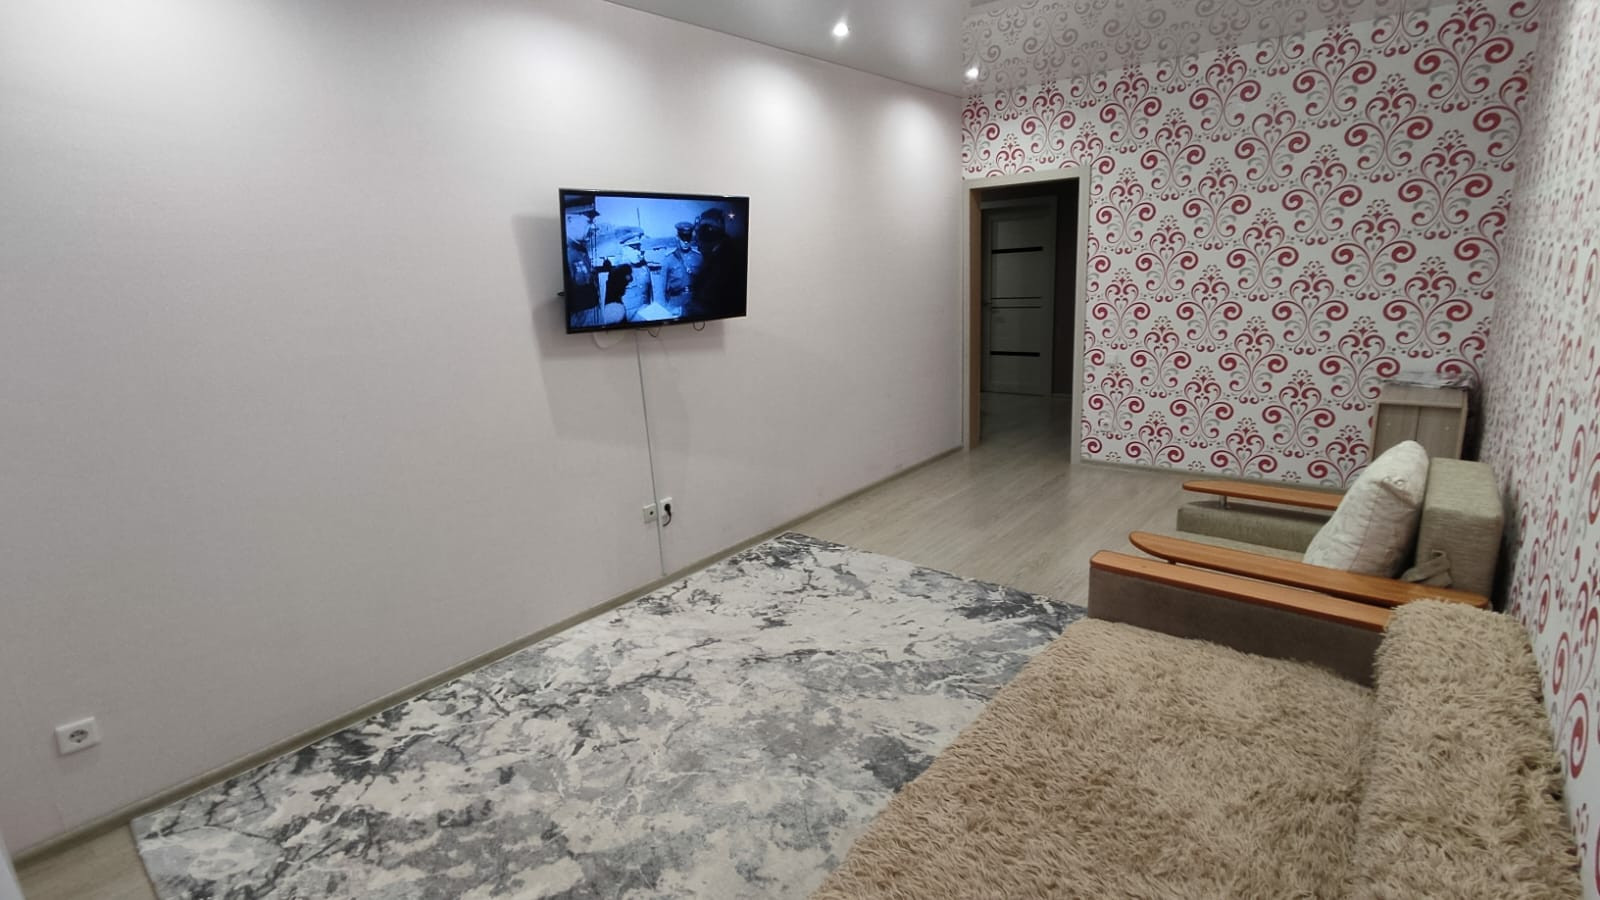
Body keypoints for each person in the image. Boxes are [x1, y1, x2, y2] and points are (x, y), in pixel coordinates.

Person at [691, 208, 746, 318]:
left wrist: (685, 310)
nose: (697, 244)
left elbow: (711, 303)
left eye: (702, 233)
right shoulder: (720, 252)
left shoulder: (725, 260)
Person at [661, 221, 702, 315]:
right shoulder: (669, 259)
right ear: (677, 237)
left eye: (688, 237)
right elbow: (661, 288)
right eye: (683, 238)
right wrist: (665, 308)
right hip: (676, 301)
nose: (686, 241)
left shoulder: (699, 258)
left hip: (694, 300)